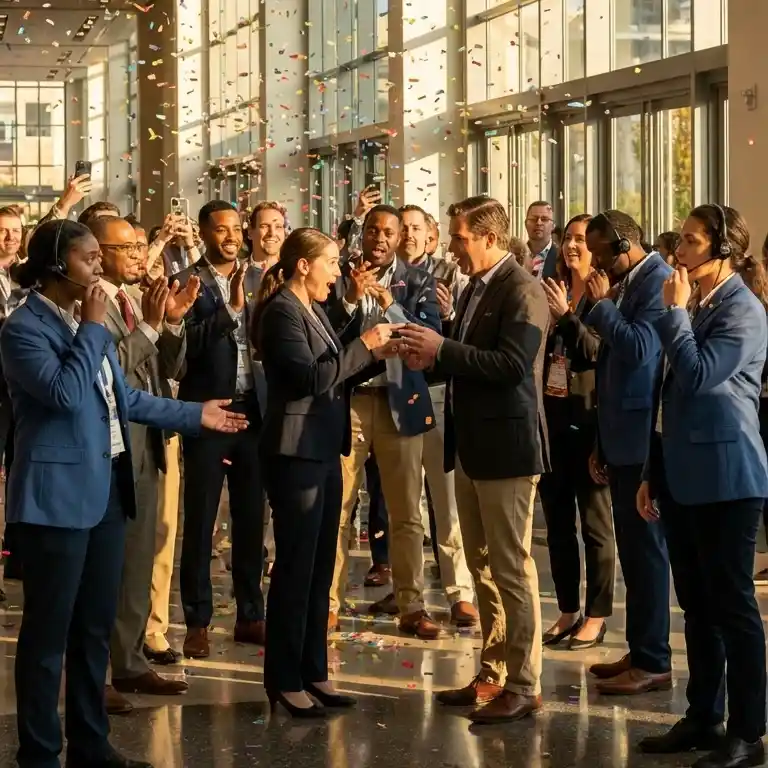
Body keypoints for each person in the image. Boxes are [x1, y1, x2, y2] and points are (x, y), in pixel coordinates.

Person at [0, 219, 247, 768]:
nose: (99, 267)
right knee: (48, 635)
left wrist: (196, 415)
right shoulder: (23, 328)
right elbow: (64, 394)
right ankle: (39, 751)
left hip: (109, 491)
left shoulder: (94, 322)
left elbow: (126, 399)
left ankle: (90, 742)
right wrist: (91, 329)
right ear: (59, 266)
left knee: (93, 628)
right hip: (57, 499)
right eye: (89, 257)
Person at [399, 195, 549, 724]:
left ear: (490, 238)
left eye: (459, 237)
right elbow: (469, 362)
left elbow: (511, 365)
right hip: (473, 446)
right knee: (481, 565)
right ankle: (494, 671)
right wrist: (428, 359)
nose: (452, 246)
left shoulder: (522, 290)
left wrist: (442, 349)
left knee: (511, 568)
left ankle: (525, 683)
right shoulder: (478, 288)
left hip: (506, 449)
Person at [637, 204, 768, 768]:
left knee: (733, 606)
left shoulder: (744, 309)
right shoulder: (697, 301)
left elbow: (696, 374)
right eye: (681, 241)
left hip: (728, 476)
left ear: (722, 250)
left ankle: (748, 730)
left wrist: (675, 315)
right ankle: (703, 715)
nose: (678, 253)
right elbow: (669, 394)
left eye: (690, 242)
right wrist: (651, 470)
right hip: (680, 472)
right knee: (695, 606)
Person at [252, 227, 397, 717]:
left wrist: (378, 356)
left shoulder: (312, 308)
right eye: (331, 263)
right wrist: (364, 343)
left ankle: (313, 670)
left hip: (321, 449)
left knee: (318, 569)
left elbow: (338, 369)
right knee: (295, 568)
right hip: (295, 453)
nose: (339, 274)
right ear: (302, 265)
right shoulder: (281, 313)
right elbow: (308, 378)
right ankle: (284, 678)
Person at [90, 216, 200, 702]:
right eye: (127, 248)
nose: (139, 256)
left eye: (140, 246)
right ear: (96, 250)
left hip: (150, 437)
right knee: (106, 569)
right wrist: (154, 328)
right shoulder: (87, 303)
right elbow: (103, 367)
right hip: (112, 445)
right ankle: (95, 674)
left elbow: (167, 369)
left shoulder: (133, 300)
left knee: (141, 559)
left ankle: (130, 662)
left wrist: (171, 322)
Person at [325, 204, 442, 639]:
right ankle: (329, 604)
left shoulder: (417, 280)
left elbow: (431, 333)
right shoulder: (337, 277)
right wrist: (353, 300)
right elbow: (326, 336)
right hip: (352, 402)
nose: (379, 238)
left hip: (400, 401)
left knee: (406, 512)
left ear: (399, 239)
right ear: (362, 234)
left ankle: (412, 605)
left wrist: (391, 306)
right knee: (339, 508)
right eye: (372, 230)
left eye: (388, 232)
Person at [582, 210, 673, 695]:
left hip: (642, 439)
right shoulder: (626, 282)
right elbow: (613, 365)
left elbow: (640, 350)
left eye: (601, 251)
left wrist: (602, 307)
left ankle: (655, 660)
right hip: (618, 433)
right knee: (633, 557)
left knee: (646, 554)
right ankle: (642, 649)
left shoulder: (658, 280)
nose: (596, 261)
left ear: (625, 244)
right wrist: (600, 438)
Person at [173, 200, 267, 659]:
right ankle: (197, 621)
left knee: (252, 518)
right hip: (208, 412)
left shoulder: (260, 278)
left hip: (253, 413)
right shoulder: (185, 282)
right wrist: (229, 312)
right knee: (202, 520)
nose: (231, 237)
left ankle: (251, 614)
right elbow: (181, 348)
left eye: (236, 229)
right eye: (221, 230)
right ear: (204, 233)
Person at [396, 203, 477, 627]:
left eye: (416, 228)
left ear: (431, 235)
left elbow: (460, 340)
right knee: (406, 505)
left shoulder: (452, 276)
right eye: (401, 228)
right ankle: (407, 595)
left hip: (438, 394)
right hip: (396, 397)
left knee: (447, 501)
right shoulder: (377, 276)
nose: (408, 235)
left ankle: (459, 592)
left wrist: (447, 316)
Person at [539, 215, 615, 649]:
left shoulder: (605, 295)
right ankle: (567, 609)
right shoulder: (551, 287)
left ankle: (598, 613)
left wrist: (567, 317)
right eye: (567, 237)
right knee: (557, 525)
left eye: (581, 240)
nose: (571, 246)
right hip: (551, 420)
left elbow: (595, 351)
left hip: (589, 423)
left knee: (595, 525)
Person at [247, 201, 287, 271]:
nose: (272, 233)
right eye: (264, 226)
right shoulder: (236, 272)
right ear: (250, 231)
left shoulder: (295, 272)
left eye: (278, 227)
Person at [525, 200, 558, 279]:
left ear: (553, 225)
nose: (539, 223)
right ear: (525, 224)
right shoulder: (514, 257)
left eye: (544, 219)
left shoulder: (561, 258)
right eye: (533, 219)